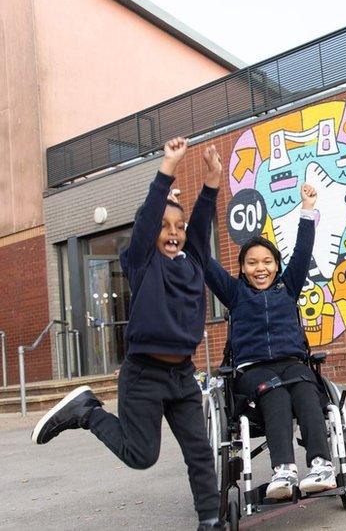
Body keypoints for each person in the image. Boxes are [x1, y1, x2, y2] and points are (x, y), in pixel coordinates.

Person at [32, 137, 223, 530]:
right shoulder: (141, 261)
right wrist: (168, 165)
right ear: (148, 232)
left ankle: (209, 519)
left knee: (200, 451)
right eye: (163, 227)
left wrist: (212, 180)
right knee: (141, 455)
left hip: (182, 375)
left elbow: (201, 223)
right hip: (144, 374)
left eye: (179, 227)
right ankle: (87, 412)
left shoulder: (195, 262)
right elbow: (151, 217)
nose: (173, 233)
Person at [205, 183, 337, 500]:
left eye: (267, 261)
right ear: (241, 268)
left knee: (306, 388)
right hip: (254, 371)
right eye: (252, 262)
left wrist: (307, 208)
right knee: (275, 393)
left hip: (292, 363)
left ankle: (321, 466)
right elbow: (203, 261)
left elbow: (303, 250)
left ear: (276, 265)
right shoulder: (235, 294)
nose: (260, 268)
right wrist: (182, 226)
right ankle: (284, 472)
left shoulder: (287, 288)